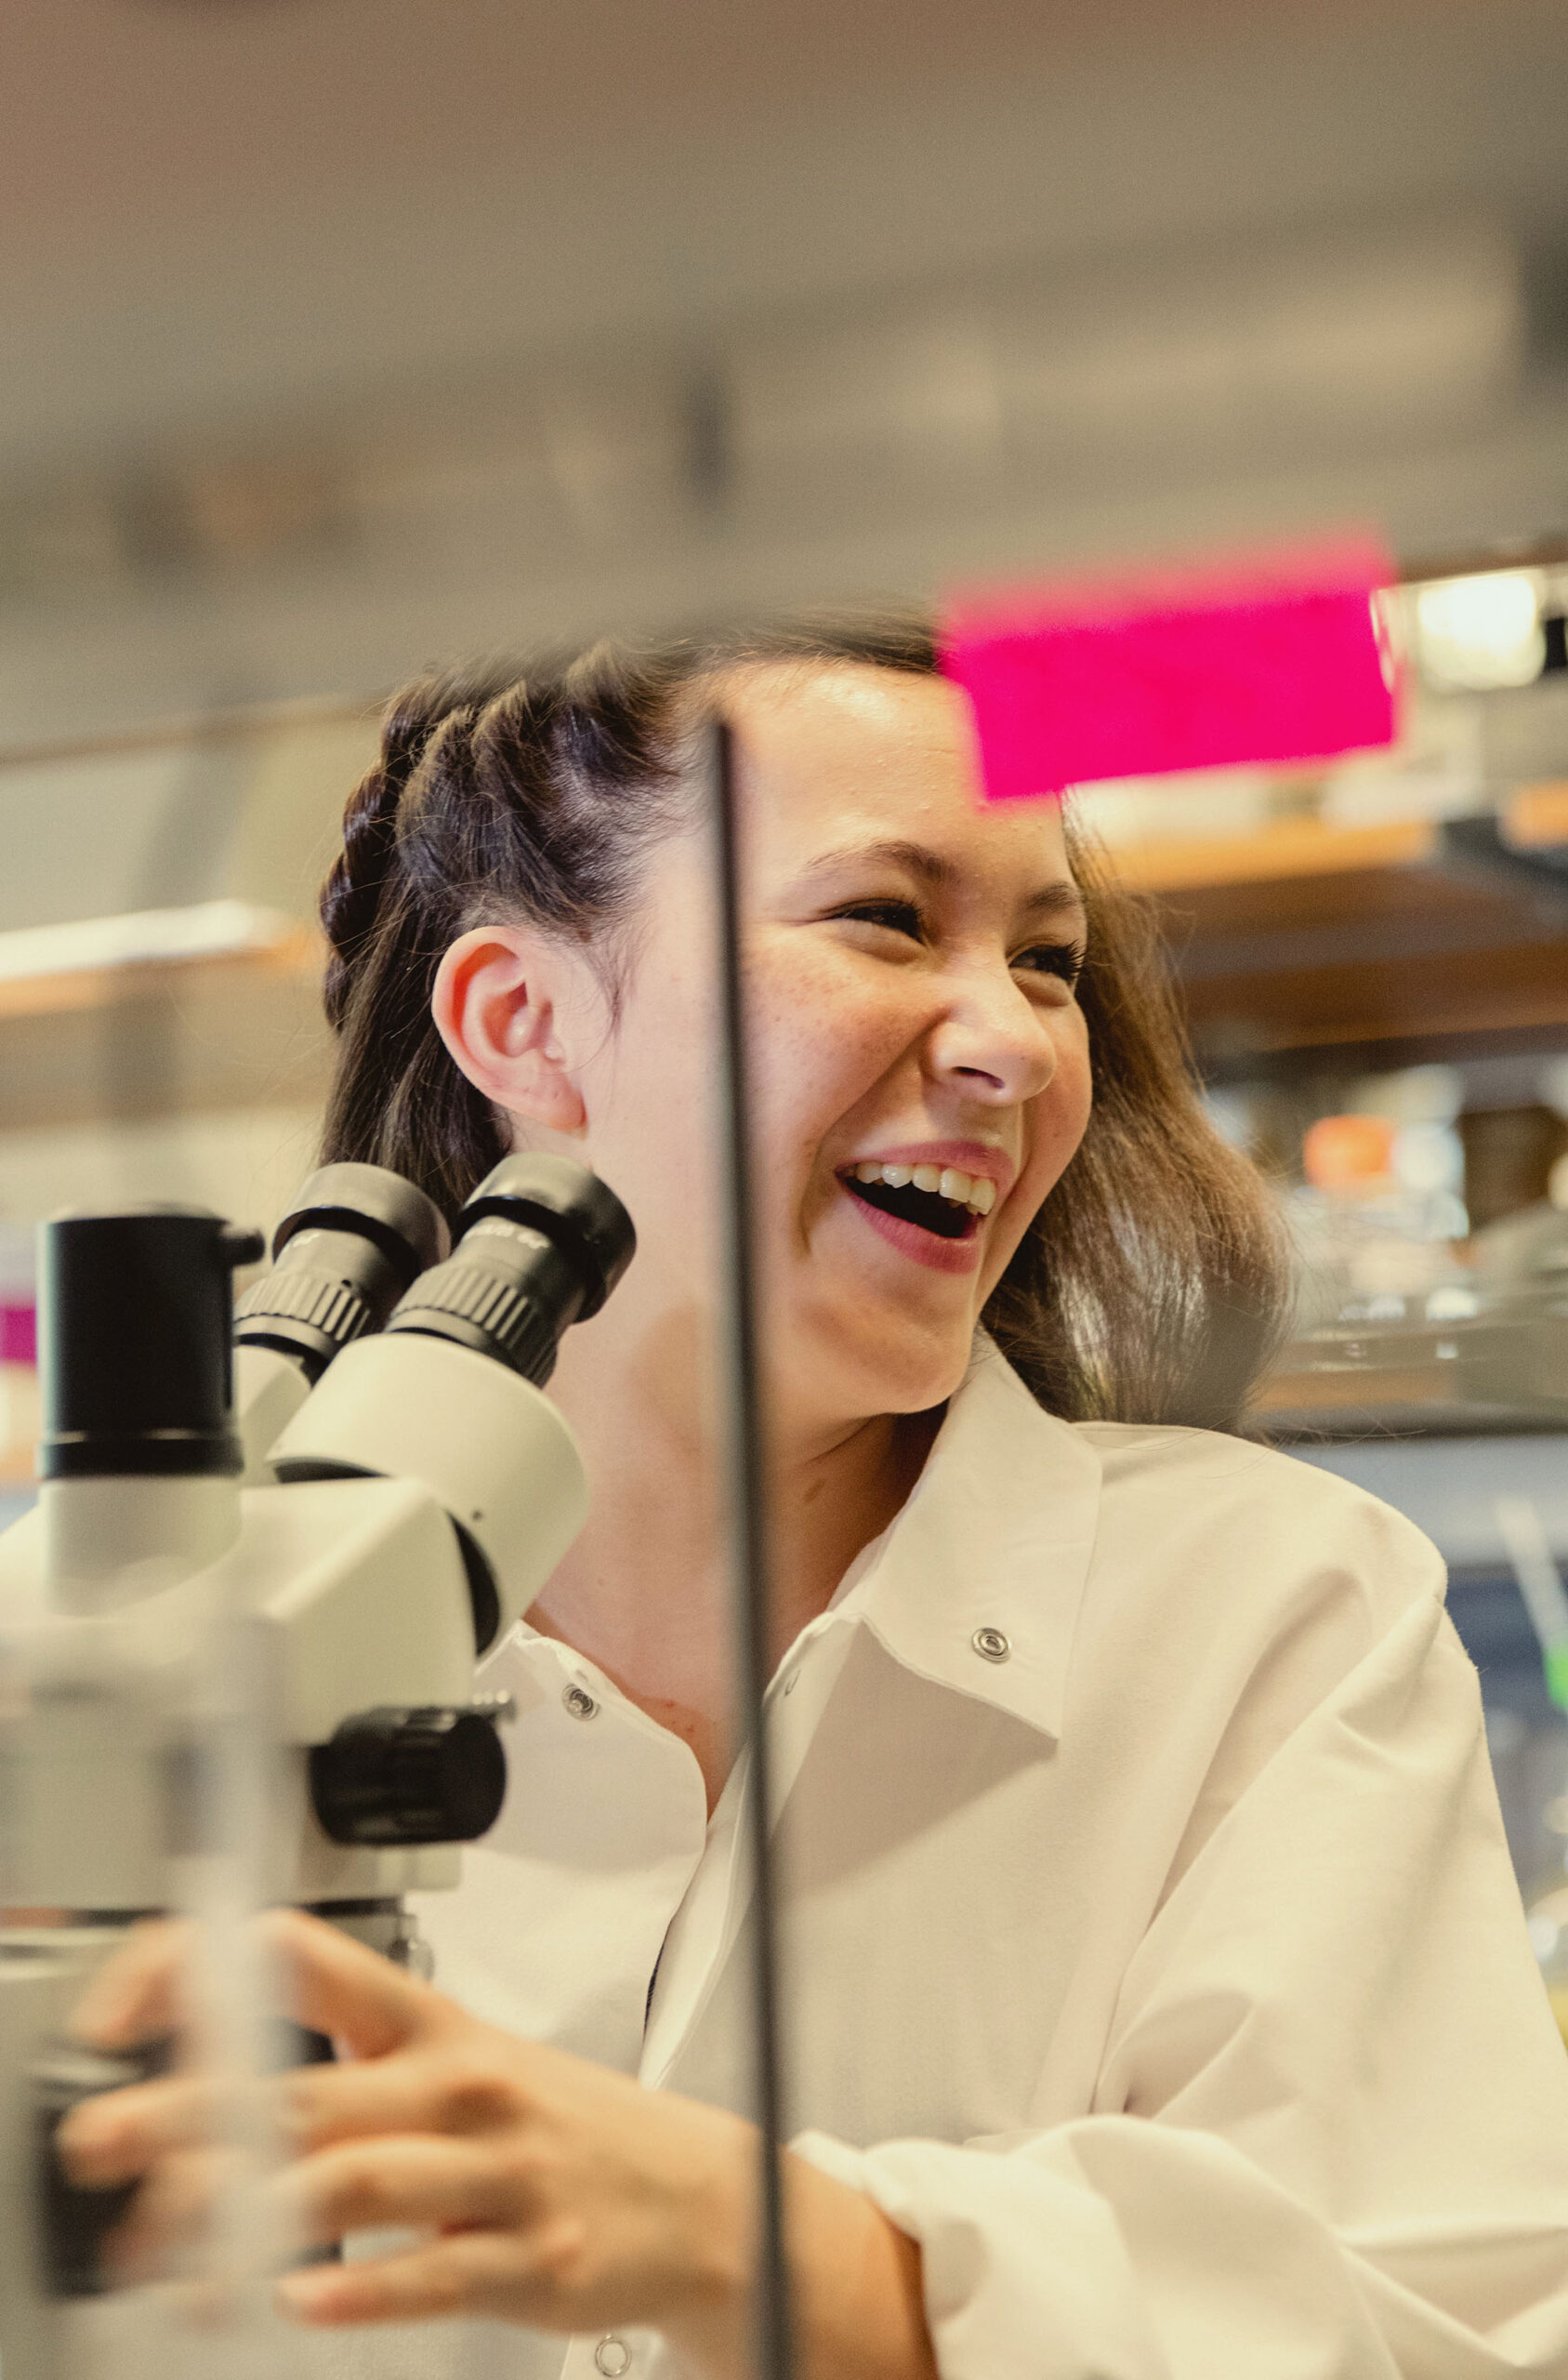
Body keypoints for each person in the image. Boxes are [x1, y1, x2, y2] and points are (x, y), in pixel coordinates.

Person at [63, 620, 1568, 2378]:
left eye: (1052, 957)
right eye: (888, 918)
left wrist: (746, 2241)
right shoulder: (184, 1646)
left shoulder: (1267, 1615)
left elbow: (1437, 2330)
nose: (1012, 1039)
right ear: (521, 1019)